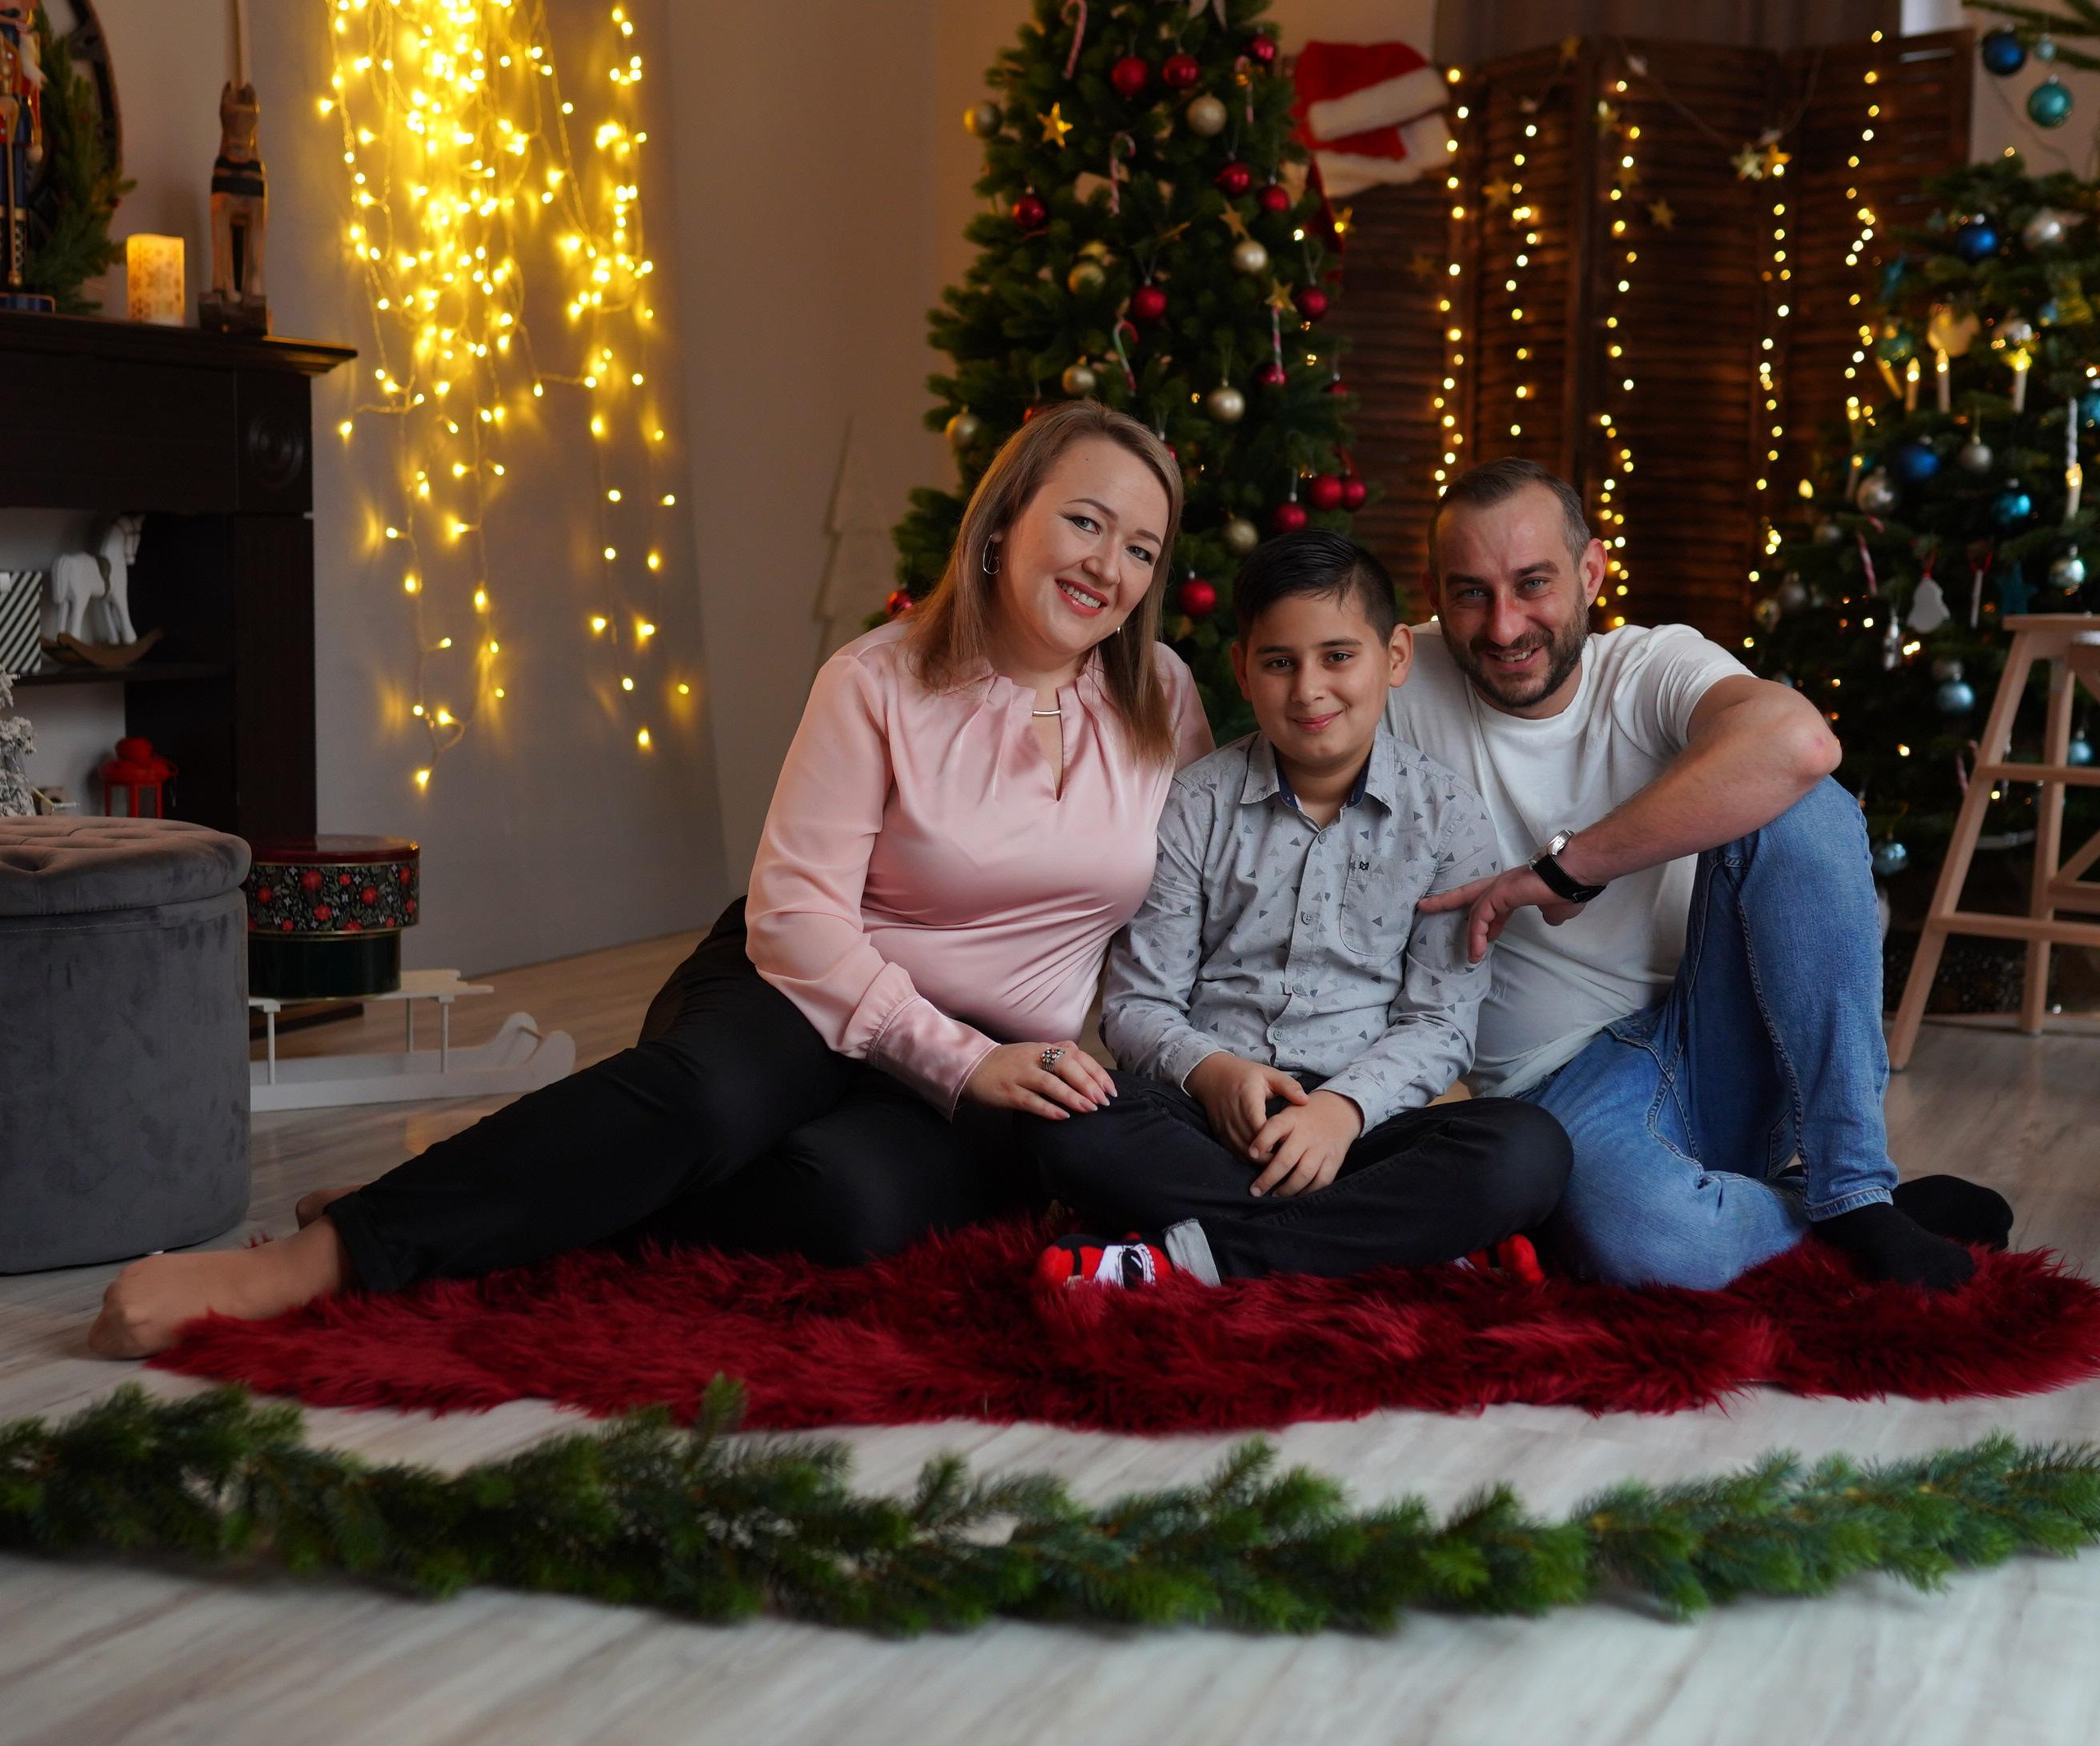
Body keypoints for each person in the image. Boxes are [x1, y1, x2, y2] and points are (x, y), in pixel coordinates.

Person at [87, 402, 1214, 1357]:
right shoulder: (875, 680)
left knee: (852, 1205)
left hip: (1000, 1072)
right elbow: (798, 923)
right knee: (709, 1101)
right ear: (1006, 518)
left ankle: (508, 1200)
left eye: (1142, 549)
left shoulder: (1163, 699)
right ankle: (324, 1257)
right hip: (799, 991)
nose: (1107, 567)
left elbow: (1193, 913)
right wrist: (961, 1057)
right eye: (1084, 521)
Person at [1393, 456, 2012, 1292]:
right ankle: (1825, 1213)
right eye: (1469, 592)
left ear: (1590, 571)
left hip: (1715, 1034)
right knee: (1659, 1246)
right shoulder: (1393, 675)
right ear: (1432, 591)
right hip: (1558, 1090)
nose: (1503, 626)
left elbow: (1801, 746)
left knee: (1802, 803)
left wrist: (1567, 870)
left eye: (1533, 584)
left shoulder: (1649, 667)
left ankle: (1854, 1182)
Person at [1032, 529, 1571, 1291]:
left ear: (1394, 658)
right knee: (1074, 1118)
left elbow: (1441, 1023)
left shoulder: (1448, 816)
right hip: (1211, 1124)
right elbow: (1138, 1004)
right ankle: (1400, 1244)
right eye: (1279, 662)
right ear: (1243, 673)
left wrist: (1341, 1112)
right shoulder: (1194, 804)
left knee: (1527, 1150)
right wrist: (1214, 1075)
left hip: (1366, 1130)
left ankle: (1196, 1259)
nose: (1310, 689)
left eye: (1338, 657)